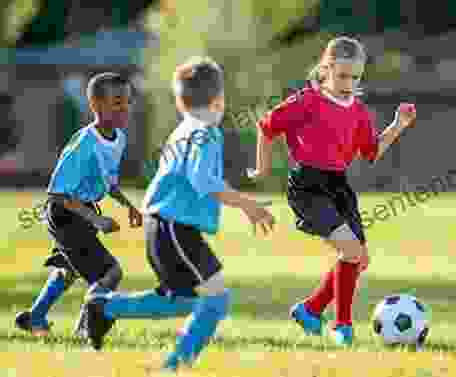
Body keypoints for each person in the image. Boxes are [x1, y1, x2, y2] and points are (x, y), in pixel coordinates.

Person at [81, 56, 276, 372]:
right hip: (175, 228)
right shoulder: (207, 132)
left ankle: (104, 307)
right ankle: (175, 364)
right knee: (217, 300)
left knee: (182, 300)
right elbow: (203, 181)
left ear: (180, 100)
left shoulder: (183, 129)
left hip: (162, 226)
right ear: (219, 100)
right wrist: (247, 204)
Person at [249, 36, 417, 345]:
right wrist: (261, 169)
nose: (348, 83)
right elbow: (266, 127)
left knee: (358, 258)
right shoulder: (306, 101)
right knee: (352, 252)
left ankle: (310, 310)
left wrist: (398, 125)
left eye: (355, 77)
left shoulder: (359, 112)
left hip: (338, 186)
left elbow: (371, 152)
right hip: (308, 188)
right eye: (342, 75)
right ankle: (342, 327)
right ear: (326, 69)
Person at [14, 72, 142, 337]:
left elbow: (108, 182)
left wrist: (129, 206)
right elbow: (57, 193)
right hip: (65, 213)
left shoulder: (118, 138)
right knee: (111, 273)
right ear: (96, 106)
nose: (125, 108)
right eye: (117, 102)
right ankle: (86, 329)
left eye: (128, 101)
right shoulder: (85, 143)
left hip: (82, 212)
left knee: (69, 269)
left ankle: (35, 317)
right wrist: (95, 219)